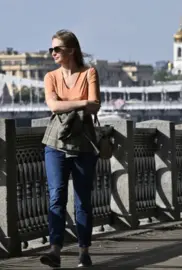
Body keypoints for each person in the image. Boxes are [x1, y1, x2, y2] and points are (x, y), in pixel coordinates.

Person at [39, 29, 101, 268]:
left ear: (71, 50)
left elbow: (95, 106)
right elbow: (54, 106)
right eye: (51, 49)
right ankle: (55, 250)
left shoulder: (89, 73)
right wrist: (82, 102)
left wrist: (82, 104)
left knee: (83, 200)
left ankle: (83, 251)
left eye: (57, 49)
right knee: (56, 197)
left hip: (84, 143)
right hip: (55, 143)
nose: (53, 53)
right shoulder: (50, 77)